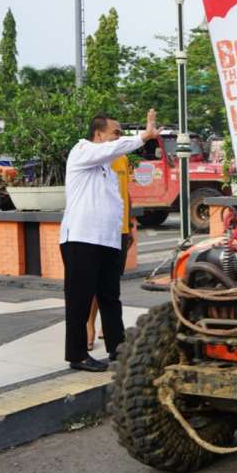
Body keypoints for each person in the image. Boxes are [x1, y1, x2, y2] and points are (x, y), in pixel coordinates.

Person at [60, 109, 159, 372]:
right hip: (81, 238)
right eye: (115, 133)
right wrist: (143, 136)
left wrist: (122, 233)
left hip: (107, 240)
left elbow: (115, 203)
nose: (119, 138)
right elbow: (113, 148)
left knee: (110, 297)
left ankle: (118, 350)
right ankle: (77, 355)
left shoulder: (108, 164)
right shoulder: (82, 151)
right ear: (99, 133)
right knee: (79, 299)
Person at [85, 153, 133, 351]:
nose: (118, 136)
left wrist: (129, 226)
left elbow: (125, 192)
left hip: (119, 230)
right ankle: (89, 325)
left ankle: (109, 326)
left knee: (112, 284)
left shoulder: (122, 158)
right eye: (115, 132)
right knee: (95, 283)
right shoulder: (94, 158)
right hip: (100, 230)